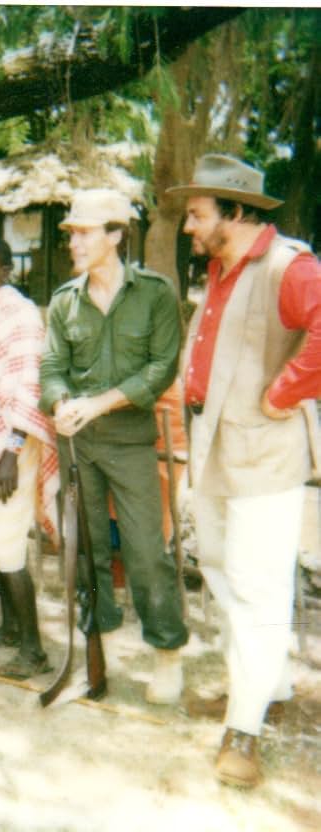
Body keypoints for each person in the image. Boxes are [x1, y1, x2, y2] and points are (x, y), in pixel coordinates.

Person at [167, 154, 321, 788]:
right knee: (224, 573)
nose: (186, 226)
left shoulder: (290, 265)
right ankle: (261, 688)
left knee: (257, 589)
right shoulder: (221, 267)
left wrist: (284, 392)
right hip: (215, 447)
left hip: (264, 455)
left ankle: (245, 730)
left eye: (196, 214)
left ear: (234, 211)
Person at [40, 188, 189, 705]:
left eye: (84, 233)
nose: (74, 242)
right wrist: (59, 402)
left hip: (129, 443)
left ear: (115, 236)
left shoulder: (155, 293)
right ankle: (96, 653)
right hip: (77, 445)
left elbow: (161, 367)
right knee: (86, 554)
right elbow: (52, 370)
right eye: (71, 233)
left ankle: (167, 653)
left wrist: (98, 404)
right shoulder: (64, 301)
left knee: (147, 553)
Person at [0, 235, 60, 679]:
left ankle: (34, 650)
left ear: (6, 271)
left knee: (7, 545)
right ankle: (9, 627)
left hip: (12, 444)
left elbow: (29, 386)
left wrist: (10, 452)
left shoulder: (20, 314)